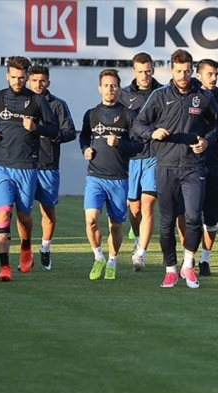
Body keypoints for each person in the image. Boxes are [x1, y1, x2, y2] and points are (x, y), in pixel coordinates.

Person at [133, 49, 218, 289]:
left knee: (194, 217)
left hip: (194, 168)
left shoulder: (203, 97)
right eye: (178, 71)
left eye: (187, 71)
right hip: (165, 167)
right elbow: (138, 125)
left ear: (192, 70)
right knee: (166, 221)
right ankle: (170, 269)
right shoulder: (159, 96)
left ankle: (188, 265)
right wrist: (151, 133)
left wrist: (206, 140)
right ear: (171, 70)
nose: (183, 75)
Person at [0, 56, 59, 281]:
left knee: (23, 218)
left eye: (22, 78)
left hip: (27, 168)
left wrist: (36, 127)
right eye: (14, 77)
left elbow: (55, 130)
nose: (18, 81)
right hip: (1, 167)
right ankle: (4, 268)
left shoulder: (37, 101)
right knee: (3, 216)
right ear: (7, 75)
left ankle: (26, 245)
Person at [79, 69, 142, 280]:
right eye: (106, 85)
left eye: (113, 86)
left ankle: (113, 261)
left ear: (119, 88)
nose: (110, 89)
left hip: (118, 178)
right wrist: (85, 150)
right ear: (100, 88)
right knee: (90, 220)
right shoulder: (91, 114)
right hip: (95, 176)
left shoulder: (128, 115)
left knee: (115, 225)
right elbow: (84, 138)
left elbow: (138, 145)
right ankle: (98, 258)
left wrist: (120, 143)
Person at [23, 65, 77, 270]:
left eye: (42, 80)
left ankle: (45, 248)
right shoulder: (21, 102)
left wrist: (48, 133)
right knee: (22, 212)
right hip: (23, 164)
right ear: (28, 81)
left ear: (48, 82)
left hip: (48, 165)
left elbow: (70, 132)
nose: (38, 84)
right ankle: (25, 252)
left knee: (47, 211)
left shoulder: (57, 105)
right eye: (34, 80)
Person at [190, 59, 218, 276]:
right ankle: (187, 258)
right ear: (198, 75)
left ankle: (205, 260)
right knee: (188, 215)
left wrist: (209, 136)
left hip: (214, 163)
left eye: (216, 74)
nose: (214, 78)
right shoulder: (189, 95)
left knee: (210, 218)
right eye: (209, 74)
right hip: (188, 164)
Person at [117, 52, 162, 271]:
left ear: (153, 70)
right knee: (133, 209)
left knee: (148, 204)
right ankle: (137, 236)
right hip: (132, 157)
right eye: (140, 71)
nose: (145, 75)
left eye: (148, 70)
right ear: (133, 72)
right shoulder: (123, 95)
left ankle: (141, 253)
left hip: (155, 155)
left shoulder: (162, 93)